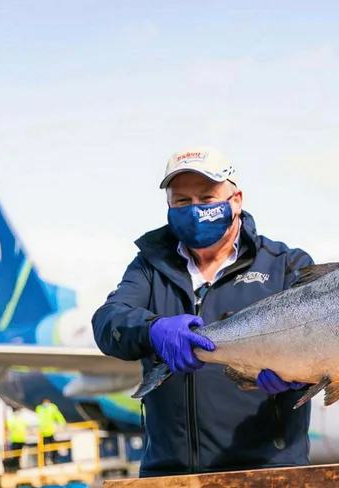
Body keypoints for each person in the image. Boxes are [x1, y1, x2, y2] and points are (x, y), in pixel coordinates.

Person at [91, 146, 315, 477]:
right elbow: (108, 322)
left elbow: (320, 340)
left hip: (269, 474)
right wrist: (153, 329)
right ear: (169, 205)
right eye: (182, 201)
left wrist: (299, 376)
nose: (195, 210)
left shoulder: (286, 266)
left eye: (207, 197)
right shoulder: (150, 268)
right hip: (171, 477)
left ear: (236, 200)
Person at [34, 398, 65, 464]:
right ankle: (43, 462)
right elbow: (36, 419)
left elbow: (58, 416)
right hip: (42, 431)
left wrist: (62, 423)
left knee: (53, 447)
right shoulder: (39, 409)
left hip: (50, 431)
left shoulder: (52, 408)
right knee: (43, 448)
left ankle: (54, 460)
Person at [4, 406, 28, 472]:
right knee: (16, 454)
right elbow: (7, 427)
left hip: (20, 439)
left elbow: (25, 428)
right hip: (15, 440)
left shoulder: (20, 420)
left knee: (18, 454)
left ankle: (17, 466)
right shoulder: (13, 420)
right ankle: (15, 466)